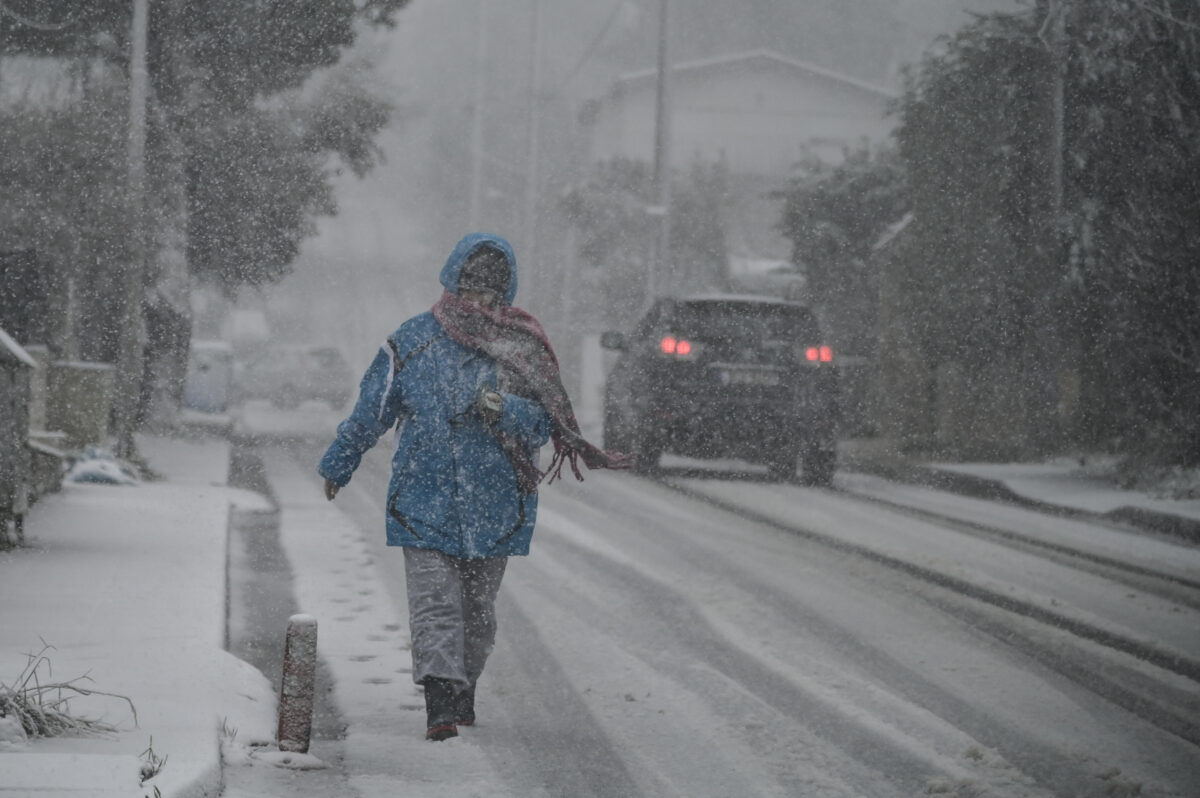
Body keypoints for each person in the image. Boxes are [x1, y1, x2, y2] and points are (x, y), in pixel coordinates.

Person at [318, 232, 630, 741]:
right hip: (422, 499)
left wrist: (507, 409)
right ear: (452, 281)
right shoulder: (412, 341)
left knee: (477, 615)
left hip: (496, 504)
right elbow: (373, 408)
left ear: (505, 292)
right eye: (471, 285)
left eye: (491, 289)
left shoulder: (522, 350)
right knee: (434, 604)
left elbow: (543, 425)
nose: (479, 298)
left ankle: (463, 691)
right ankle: (440, 701)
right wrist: (341, 460)